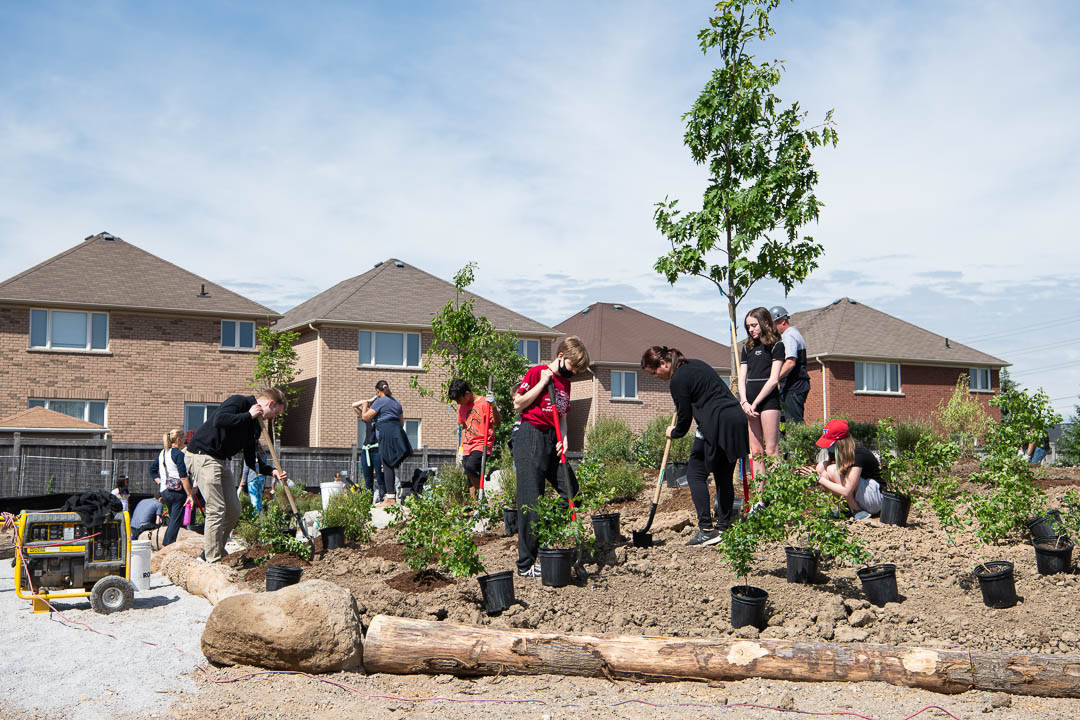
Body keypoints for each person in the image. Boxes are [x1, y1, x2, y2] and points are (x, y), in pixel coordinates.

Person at [642, 345, 749, 546]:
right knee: (723, 476)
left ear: (663, 363)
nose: (656, 376)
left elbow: (684, 420)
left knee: (695, 474)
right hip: (735, 420)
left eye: (655, 372)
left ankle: (707, 529)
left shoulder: (677, 379)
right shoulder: (696, 364)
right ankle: (724, 528)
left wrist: (673, 432)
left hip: (716, 423)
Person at [513, 336, 590, 578]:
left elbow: (563, 415)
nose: (574, 372)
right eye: (572, 366)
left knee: (572, 491)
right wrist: (542, 383)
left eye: (578, 369)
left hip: (552, 438)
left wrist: (564, 437)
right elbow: (518, 404)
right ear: (560, 357)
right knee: (530, 501)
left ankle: (543, 534)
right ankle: (526, 565)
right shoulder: (537, 372)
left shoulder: (565, 384)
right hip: (530, 436)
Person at [185, 387, 288, 563]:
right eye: (275, 413)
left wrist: (272, 471)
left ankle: (212, 551)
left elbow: (250, 460)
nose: (273, 418)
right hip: (202, 456)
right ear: (270, 404)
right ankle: (212, 559)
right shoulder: (240, 402)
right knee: (216, 509)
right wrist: (247, 415)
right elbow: (219, 420)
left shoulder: (255, 426)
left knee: (233, 510)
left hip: (221, 460)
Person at [739, 307, 784, 486]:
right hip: (749, 403)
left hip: (768, 402)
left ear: (765, 323)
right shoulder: (747, 347)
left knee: (772, 450)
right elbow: (742, 378)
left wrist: (755, 403)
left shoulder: (776, 345)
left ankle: (779, 495)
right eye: (748, 326)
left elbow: (774, 379)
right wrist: (744, 402)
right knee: (756, 451)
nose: (751, 329)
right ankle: (760, 498)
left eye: (754, 325)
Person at [810, 419, 884, 520]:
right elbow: (822, 469)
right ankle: (844, 508)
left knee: (832, 470)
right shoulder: (839, 454)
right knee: (821, 467)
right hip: (861, 496)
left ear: (840, 442)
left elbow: (846, 491)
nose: (828, 448)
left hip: (874, 499)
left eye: (830, 444)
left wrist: (819, 479)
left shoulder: (858, 454)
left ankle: (856, 510)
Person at [355, 381, 412, 506]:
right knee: (389, 464)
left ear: (377, 391)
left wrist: (365, 405)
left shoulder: (380, 401)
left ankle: (390, 498)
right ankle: (390, 496)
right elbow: (402, 423)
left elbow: (365, 417)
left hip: (386, 433)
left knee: (386, 465)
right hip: (397, 433)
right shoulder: (396, 402)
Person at [449, 379, 501, 499]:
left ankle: (483, 498)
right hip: (467, 444)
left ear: (467, 394)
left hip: (482, 442)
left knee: (470, 467)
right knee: (468, 475)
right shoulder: (462, 407)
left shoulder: (484, 403)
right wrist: (461, 447)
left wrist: (493, 405)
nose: (458, 403)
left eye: (458, 400)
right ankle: (475, 505)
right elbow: (463, 427)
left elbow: (497, 423)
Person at [150, 428, 197, 546]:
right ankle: (167, 544)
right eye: (184, 439)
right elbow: (183, 477)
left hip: (165, 490)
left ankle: (168, 543)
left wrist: (161, 481)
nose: (185, 442)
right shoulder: (179, 454)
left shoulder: (162, 453)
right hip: (177, 491)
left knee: (173, 519)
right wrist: (189, 494)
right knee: (175, 521)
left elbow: (152, 469)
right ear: (179, 440)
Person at [770, 306, 810, 425]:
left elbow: (790, 362)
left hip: (794, 385)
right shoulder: (793, 334)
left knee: (794, 423)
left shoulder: (789, 336)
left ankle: (800, 444)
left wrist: (774, 378)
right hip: (794, 385)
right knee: (784, 422)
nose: (772, 328)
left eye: (773, 324)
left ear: (782, 321)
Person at [358, 416, 387, 503]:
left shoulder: (382, 418)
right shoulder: (367, 417)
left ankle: (382, 499)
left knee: (380, 477)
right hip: (366, 450)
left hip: (377, 449)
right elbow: (354, 406)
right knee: (368, 479)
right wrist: (366, 402)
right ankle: (368, 501)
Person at [239, 448, 270, 515]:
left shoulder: (249, 454)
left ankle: (255, 517)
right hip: (261, 477)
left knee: (254, 500)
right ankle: (260, 516)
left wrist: (243, 481)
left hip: (252, 478)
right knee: (259, 499)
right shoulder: (263, 454)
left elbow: (246, 468)